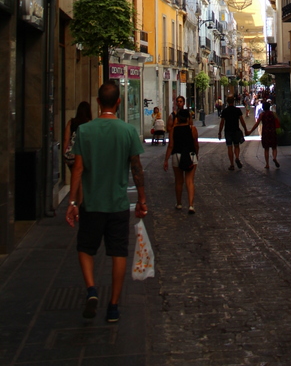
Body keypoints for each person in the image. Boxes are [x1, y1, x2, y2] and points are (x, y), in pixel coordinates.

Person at [65, 81, 147, 325]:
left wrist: (72, 201)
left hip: (91, 204)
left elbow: (78, 169)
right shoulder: (128, 131)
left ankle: (92, 289)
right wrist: (141, 199)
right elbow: (136, 168)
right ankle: (113, 306)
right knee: (118, 253)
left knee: (85, 248)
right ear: (119, 102)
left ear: (98, 102)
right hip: (118, 205)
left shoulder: (84, 131)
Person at [163, 108, 199, 213]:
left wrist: (166, 160)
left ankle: (179, 203)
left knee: (178, 181)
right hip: (190, 155)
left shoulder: (173, 130)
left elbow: (170, 146)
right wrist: (196, 154)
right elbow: (196, 144)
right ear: (188, 118)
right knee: (190, 181)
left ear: (178, 118)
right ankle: (191, 205)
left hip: (176, 155)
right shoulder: (192, 129)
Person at [63, 101, 92, 206]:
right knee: (81, 180)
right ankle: (80, 204)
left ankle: (74, 202)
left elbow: (66, 139)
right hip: (82, 155)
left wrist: (64, 153)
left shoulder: (71, 123)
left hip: (70, 156)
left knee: (75, 177)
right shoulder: (89, 124)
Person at [218, 95, 248, 170]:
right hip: (236, 130)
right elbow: (242, 121)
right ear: (233, 101)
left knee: (229, 147)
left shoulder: (225, 111)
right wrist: (245, 129)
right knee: (236, 146)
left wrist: (219, 132)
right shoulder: (237, 110)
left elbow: (222, 123)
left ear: (227, 102)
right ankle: (237, 157)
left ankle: (232, 164)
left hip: (228, 131)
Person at [248, 100, 280, 169]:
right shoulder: (273, 114)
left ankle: (267, 164)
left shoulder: (262, 115)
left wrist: (250, 131)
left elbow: (257, 124)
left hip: (265, 132)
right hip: (273, 131)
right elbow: (278, 121)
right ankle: (274, 158)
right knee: (274, 147)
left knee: (266, 149)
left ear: (263, 108)